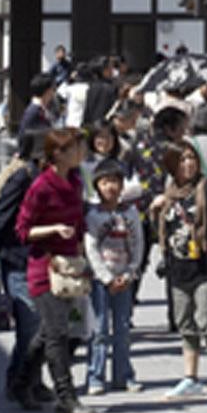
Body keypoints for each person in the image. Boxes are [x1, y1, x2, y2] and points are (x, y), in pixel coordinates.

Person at [14, 127, 100, 413]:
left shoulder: (75, 180)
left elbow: (79, 222)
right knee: (57, 334)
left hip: (72, 267)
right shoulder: (41, 186)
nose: (82, 152)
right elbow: (23, 230)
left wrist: (83, 255)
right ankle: (66, 398)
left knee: (59, 332)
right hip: (45, 269)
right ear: (58, 153)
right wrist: (53, 230)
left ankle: (21, 381)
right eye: (77, 148)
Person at [152, 141, 207, 400]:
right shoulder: (169, 193)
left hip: (206, 267)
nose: (188, 164)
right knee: (185, 323)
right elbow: (164, 231)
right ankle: (191, 377)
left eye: (192, 158)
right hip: (178, 267)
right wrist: (156, 210)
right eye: (182, 160)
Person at [0, 130, 46, 408]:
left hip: (45, 261)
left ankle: (33, 379)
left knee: (43, 326)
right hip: (18, 260)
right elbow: (0, 215)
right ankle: (19, 382)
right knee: (29, 326)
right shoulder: (22, 178)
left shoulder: (59, 179)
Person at [83, 159, 144, 395]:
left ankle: (124, 374)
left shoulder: (130, 212)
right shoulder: (93, 215)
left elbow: (138, 243)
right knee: (99, 329)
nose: (111, 187)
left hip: (125, 278)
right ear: (97, 185)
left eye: (115, 182)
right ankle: (95, 375)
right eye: (106, 182)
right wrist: (106, 277)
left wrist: (130, 272)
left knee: (122, 329)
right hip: (100, 280)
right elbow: (91, 248)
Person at [19, 73, 57, 144]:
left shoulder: (39, 108)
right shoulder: (34, 111)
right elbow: (23, 136)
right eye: (53, 89)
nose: (54, 93)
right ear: (47, 91)